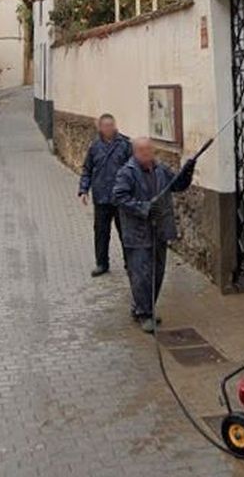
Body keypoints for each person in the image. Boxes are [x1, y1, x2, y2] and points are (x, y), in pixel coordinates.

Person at [111, 137, 195, 333]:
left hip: (159, 230)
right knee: (142, 275)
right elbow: (119, 197)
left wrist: (188, 170)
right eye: (144, 151)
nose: (148, 154)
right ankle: (144, 313)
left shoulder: (161, 169)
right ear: (135, 152)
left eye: (150, 150)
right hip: (138, 233)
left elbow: (177, 185)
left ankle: (143, 307)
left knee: (157, 273)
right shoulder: (126, 173)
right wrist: (144, 208)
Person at [77, 114, 132, 277]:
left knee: (126, 232)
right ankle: (102, 263)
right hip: (101, 197)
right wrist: (84, 190)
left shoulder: (125, 144)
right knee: (101, 232)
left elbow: (133, 169)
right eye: (106, 126)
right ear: (100, 128)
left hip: (121, 197)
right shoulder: (94, 146)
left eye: (111, 125)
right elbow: (87, 169)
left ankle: (130, 262)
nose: (109, 128)